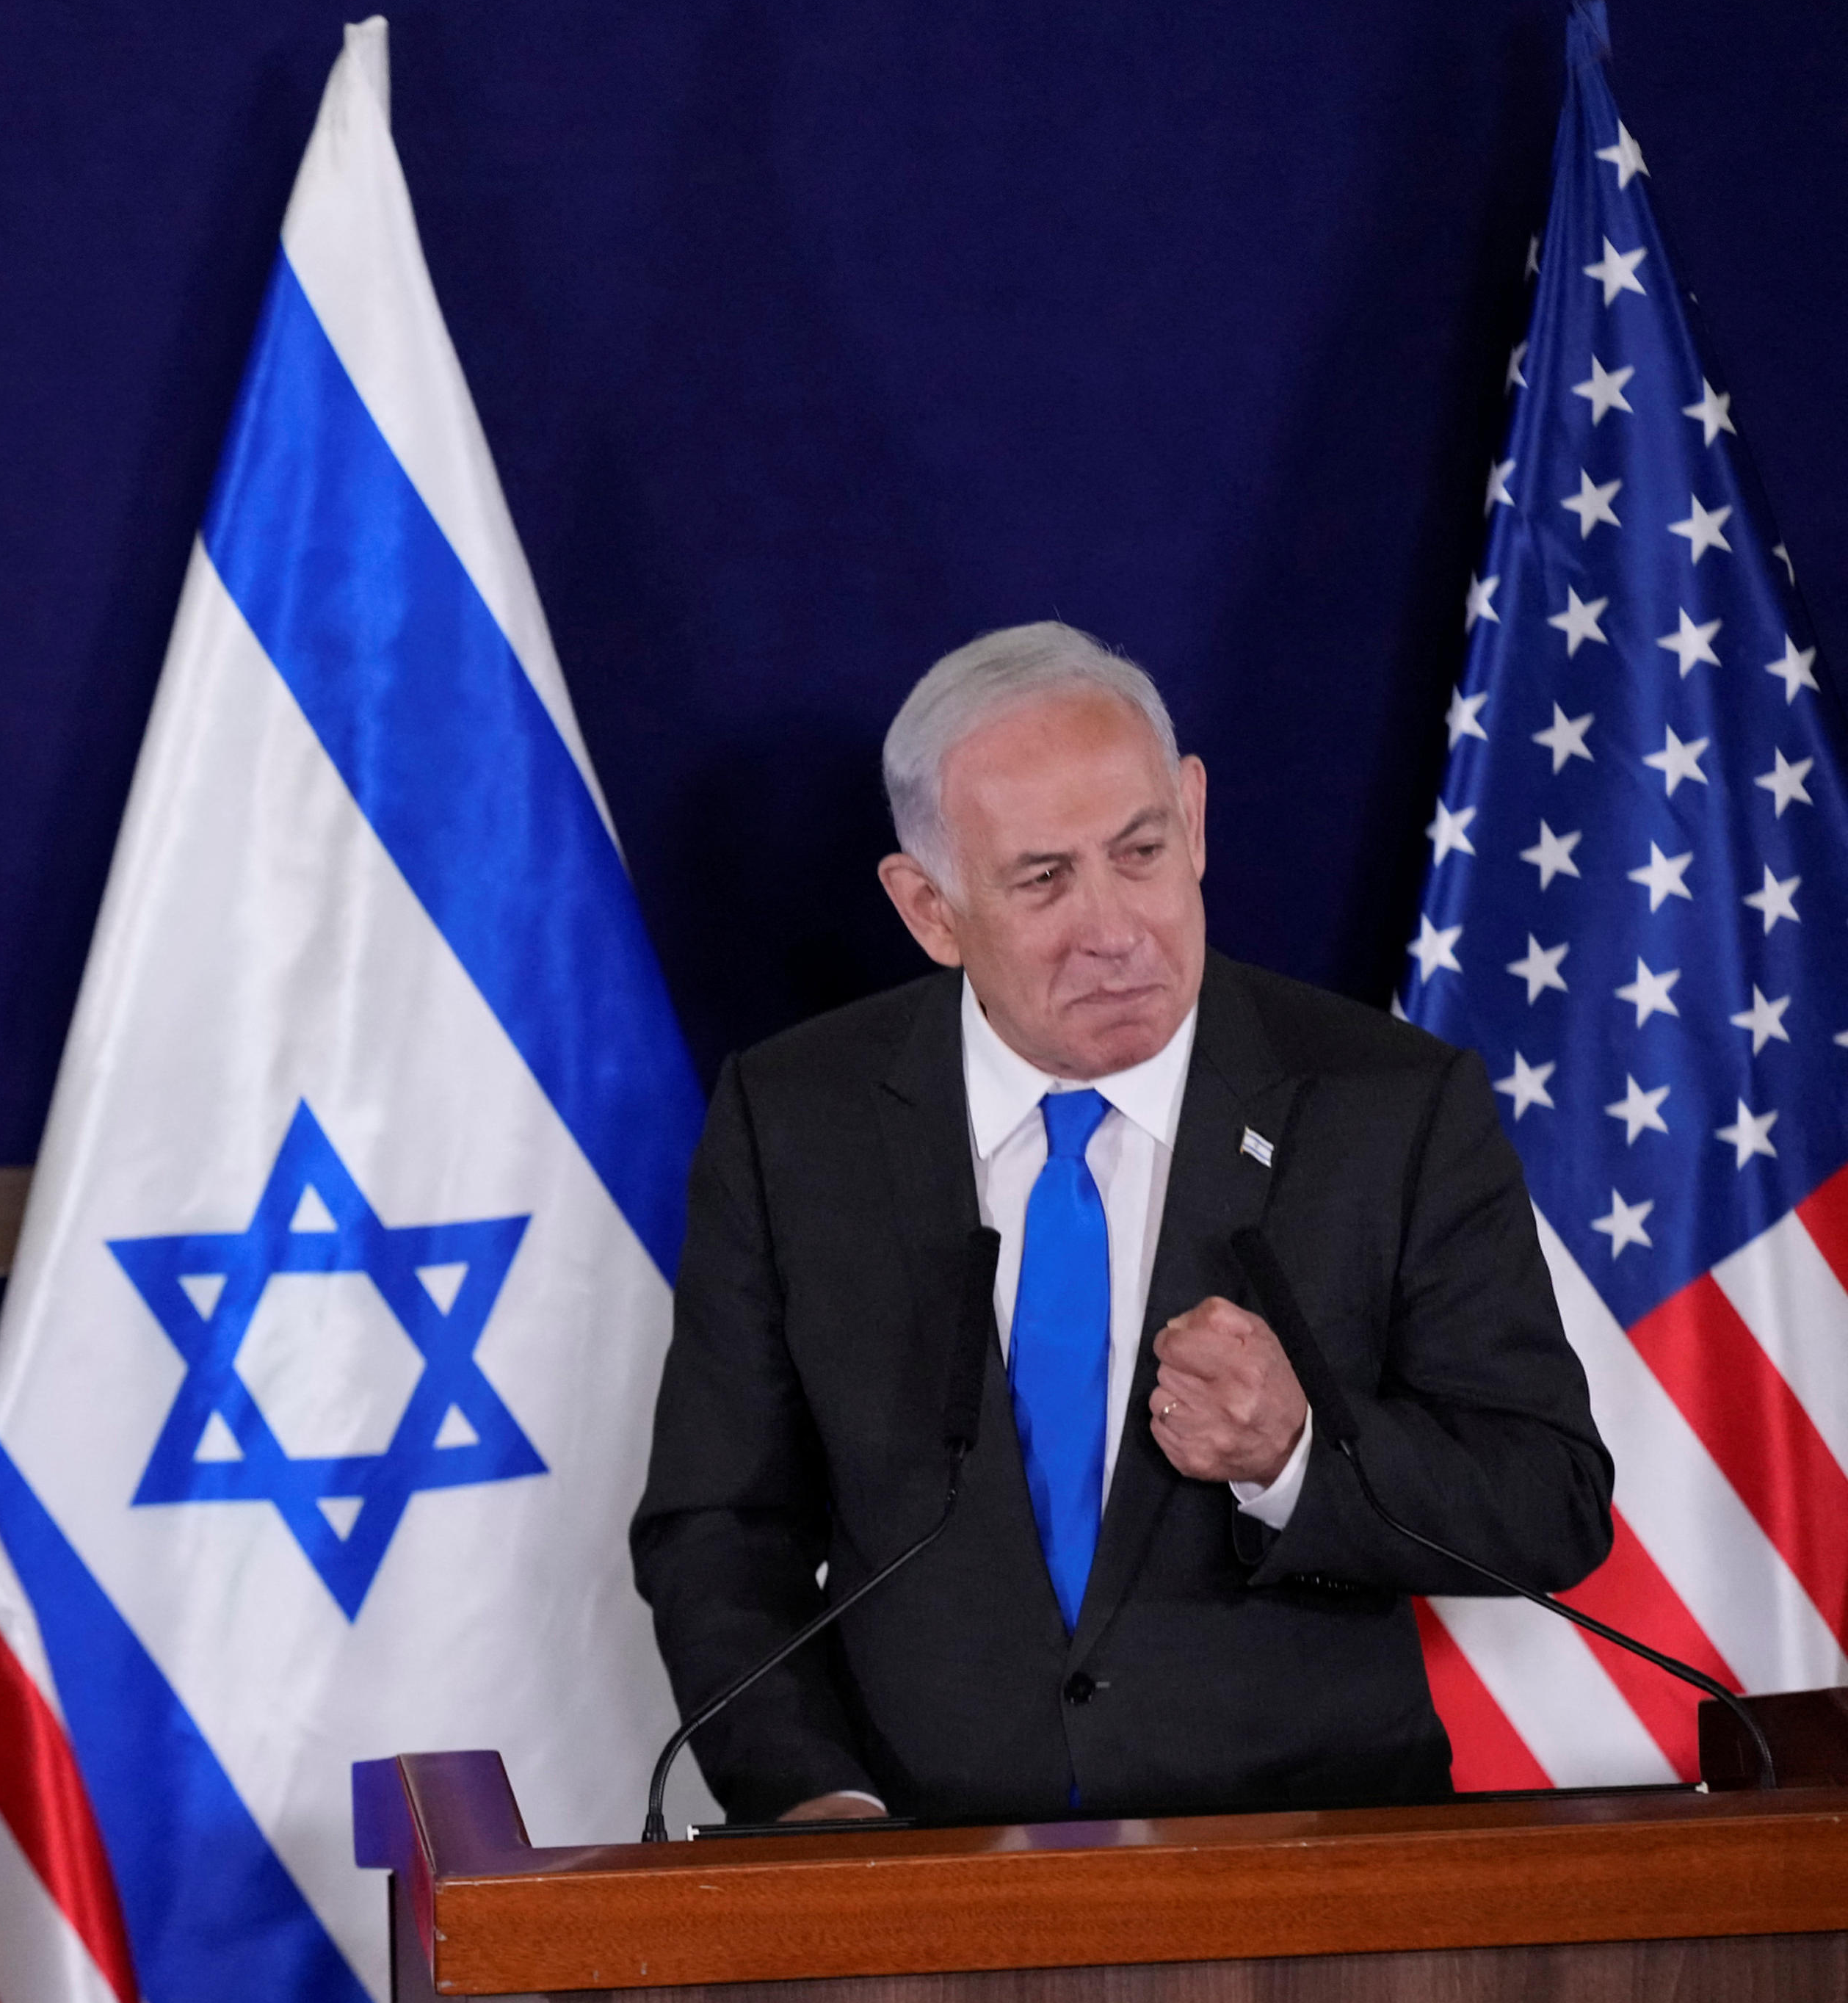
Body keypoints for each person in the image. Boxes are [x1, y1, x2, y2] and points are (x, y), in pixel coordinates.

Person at [633, 621, 1610, 1828]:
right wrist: (811, 1798)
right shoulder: (795, 1122)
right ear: (929, 907)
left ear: (1193, 817)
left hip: (1310, 1880)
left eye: (1141, 850)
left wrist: (1298, 1455)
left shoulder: (1390, 1108)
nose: (1115, 927)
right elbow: (721, 1528)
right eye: (1044, 878)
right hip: (920, 1885)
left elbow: (1547, 1502)